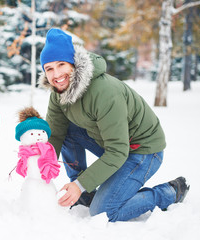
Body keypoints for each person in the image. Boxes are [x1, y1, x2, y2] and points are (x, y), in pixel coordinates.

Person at [39, 28, 190, 222]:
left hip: (142, 150)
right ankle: (86, 195)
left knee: (103, 211)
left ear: (74, 64)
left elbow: (118, 151)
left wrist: (81, 184)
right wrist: (40, 167)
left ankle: (169, 193)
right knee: (67, 131)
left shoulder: (104, 92)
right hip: (113, 143)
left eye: (61, 64)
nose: (56, 74)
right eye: (49, 68)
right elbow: (56, 134)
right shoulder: (58, 93)